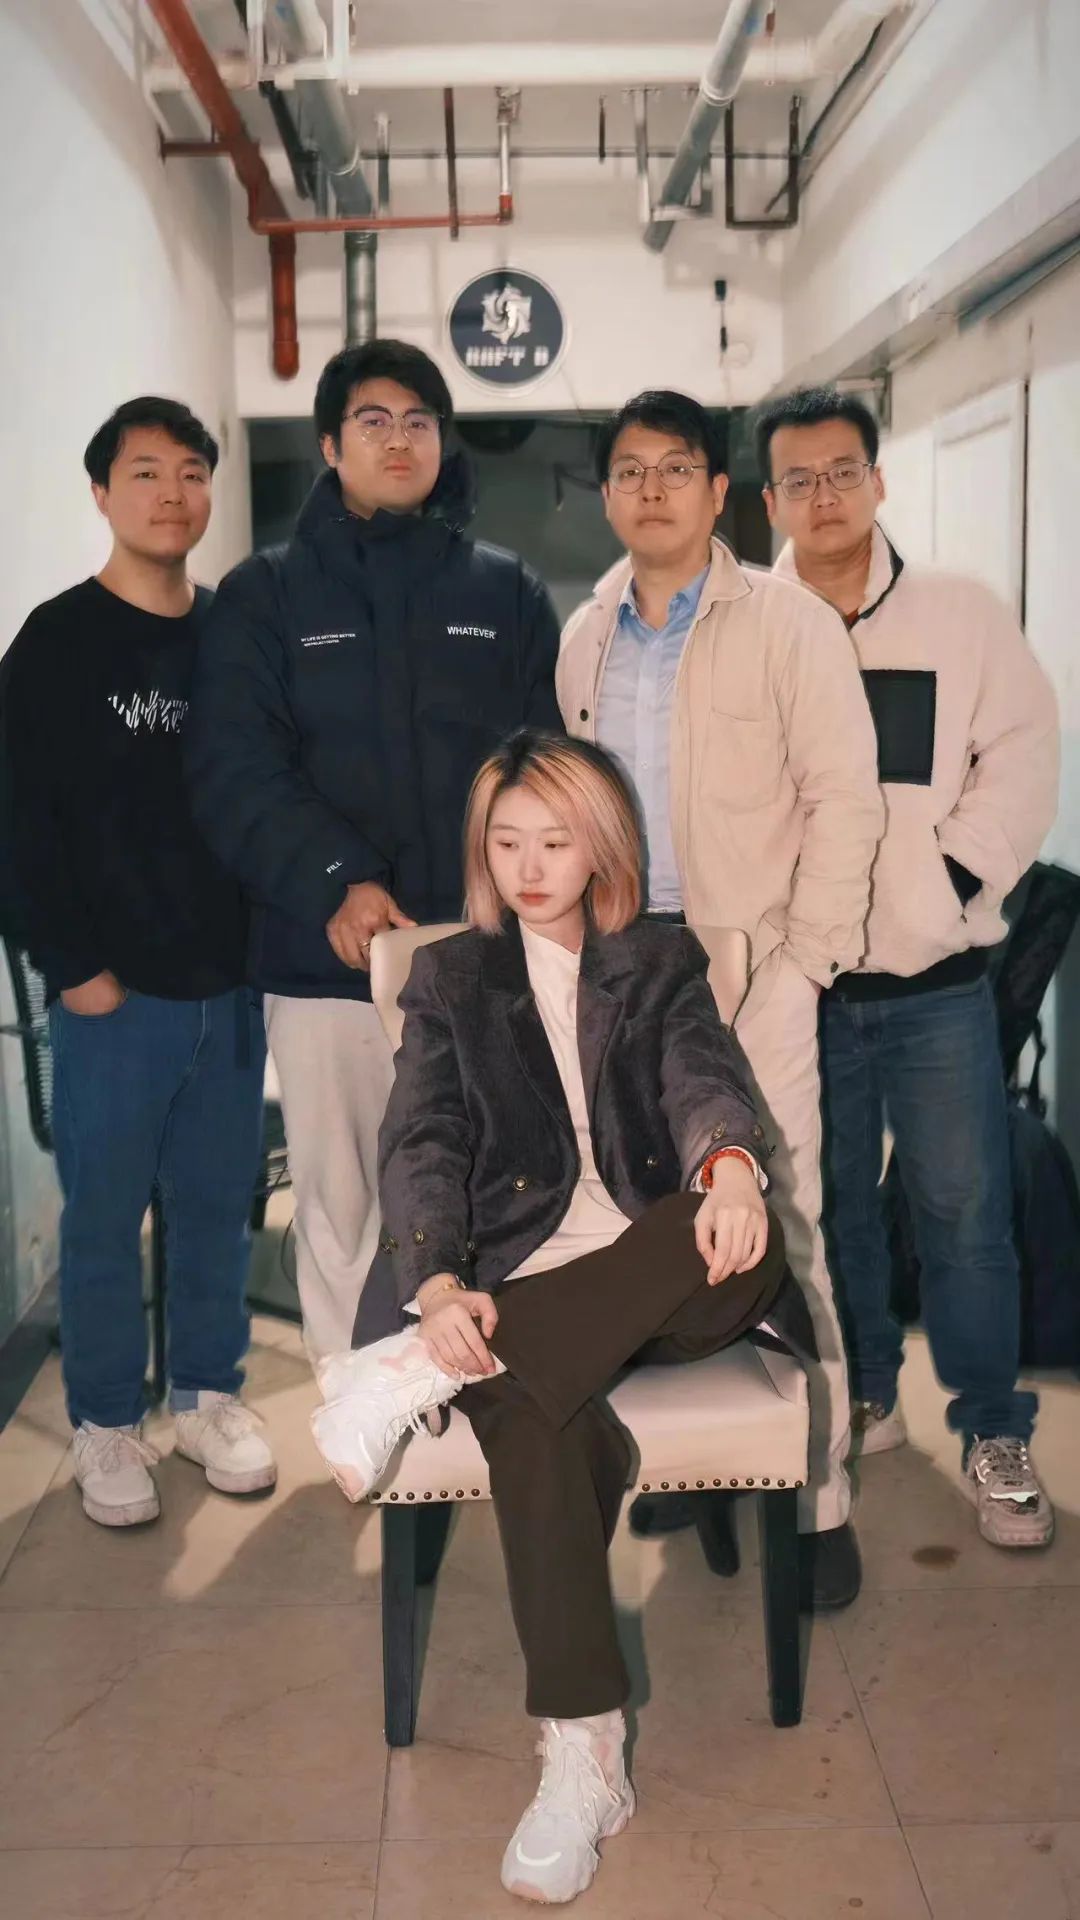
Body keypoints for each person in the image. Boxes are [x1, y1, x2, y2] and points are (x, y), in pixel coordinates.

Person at [310, 729, 814, 1907]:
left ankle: (414, 1374)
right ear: (482, 853)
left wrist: (729, 1169)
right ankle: (584, 1757)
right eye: (507, 844)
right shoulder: (452, 977)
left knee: (734, 1243)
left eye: (556, 842)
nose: (531, 868)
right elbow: (423, 1140)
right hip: (512, 1285)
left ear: (602, 849)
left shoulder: (660, 959)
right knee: (536, 1418)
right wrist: (439, 1286)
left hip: (665, 1264)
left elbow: (702, 1077)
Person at [556, 391, 883, 1610]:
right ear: (607, 495)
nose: (653, 490)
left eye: (677, 468)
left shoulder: (789, 624)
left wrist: (806, 961)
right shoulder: (584, 635)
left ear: (717, 492)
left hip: (756, 974)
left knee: (784, 1228)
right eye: (631, 471)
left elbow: (846, 797)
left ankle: (819, 1501)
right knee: (654, 1227)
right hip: (625, 980)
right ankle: (700, 1474)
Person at [186, 340, 561, 1362]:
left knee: (487, 1195)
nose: (399, 440)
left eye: (419, 422)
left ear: (443, 442)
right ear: (329, 444)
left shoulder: (505, 593)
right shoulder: (265, 595)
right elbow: (233, 768)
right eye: (374, 421)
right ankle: (361, 1415)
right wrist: (334, 881)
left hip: (480, 961)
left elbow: (546, 767)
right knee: (344, 1210)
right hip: (326, 963)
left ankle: (469, 1412)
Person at [758, 384, 1060, 1548]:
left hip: (936, 987)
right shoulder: (747, 625)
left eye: (844, 472)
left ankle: (991, 1427)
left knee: (965, 1212)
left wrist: (948, 878)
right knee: (826, 1210)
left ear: (878, 482)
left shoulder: (959, 616)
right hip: (806, 987)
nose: (824, 497)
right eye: (799, 480)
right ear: (770, 500)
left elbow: (1023, 754)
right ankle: (867, 1392)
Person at [0, 397, 275, 1528]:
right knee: (105, 1218)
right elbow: (17, 821)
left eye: (192, 472)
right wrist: (70, 965)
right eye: (147, 472)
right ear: (103, 492)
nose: (173, 493)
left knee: (216, 1206)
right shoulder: (56, 641)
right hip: (112, 995)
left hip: (230, 983)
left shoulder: (233, 635)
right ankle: (108, 1421)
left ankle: (206, 1396)